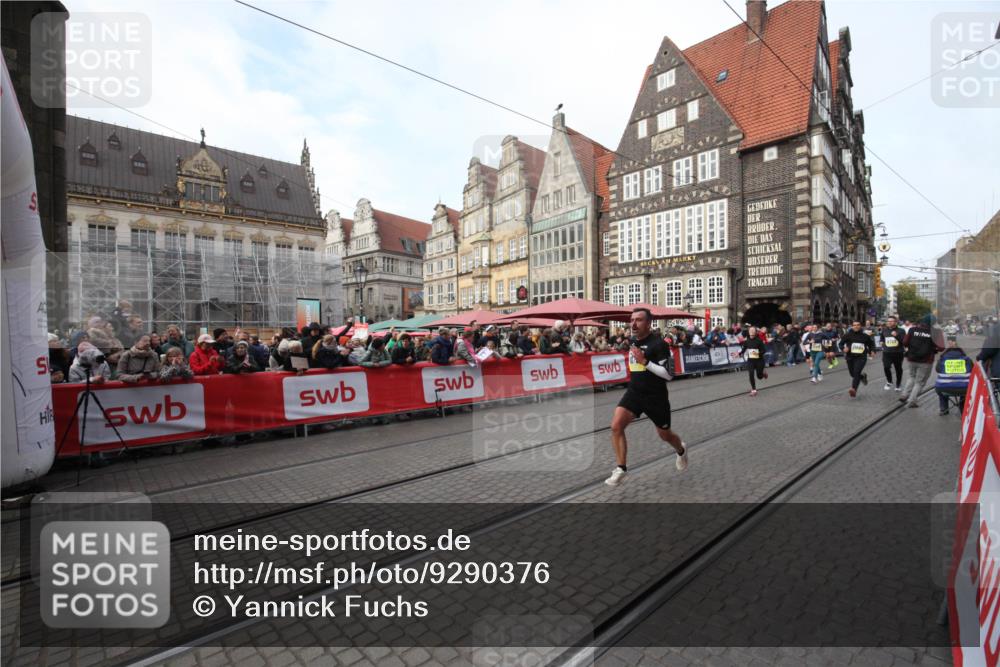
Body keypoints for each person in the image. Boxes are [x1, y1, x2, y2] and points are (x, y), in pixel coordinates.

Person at [605, 308, 687, 487]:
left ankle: (681, 450)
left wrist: (645, 362)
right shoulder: (632, 340)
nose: (633, 323)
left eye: (639, 320)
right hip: (634, 393)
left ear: (649, 323)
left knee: (665, 435)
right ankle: (621, 469)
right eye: (632, 320)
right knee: (616, 426)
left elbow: (669, 375)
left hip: (655, 396)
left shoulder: (659, 344)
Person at [899, 315, 945, 408]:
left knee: (911, 377)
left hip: (912, 358)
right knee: (920, 382)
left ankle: (904, 395)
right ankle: (912, 401)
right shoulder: (935, 332)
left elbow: (904, 342)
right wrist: (933, 347)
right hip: (926, 361)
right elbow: (941, 347)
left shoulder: (913, 329)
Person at [935, 337, 973, 415]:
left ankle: (944, 409)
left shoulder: (942, 359)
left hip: (943, 389)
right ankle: (963, 408)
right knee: (966, 387)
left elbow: (938, 370)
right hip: (964, 389)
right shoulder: (967, 359)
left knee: (941, 386)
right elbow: (972, 370)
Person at [839, 321, 876, 398]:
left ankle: (854, 389)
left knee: (856, 372)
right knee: (852, 374)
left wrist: (872, 351)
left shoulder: (865, 336)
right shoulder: (847, 335)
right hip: (850, 357)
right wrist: (843, 348)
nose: (856, 326)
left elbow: (871, 344)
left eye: (858, 325)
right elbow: (840, 344)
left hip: (861, 357)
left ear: (860, 326)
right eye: (854, 325)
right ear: (852, 326)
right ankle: (862, 377)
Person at [880, 316, 906, 392]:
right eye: (888, 321)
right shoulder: (884, 330)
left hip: (898, 353)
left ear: (895, 322)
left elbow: (904, 341)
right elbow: (882, 338)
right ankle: (889, 381)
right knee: (886, 367)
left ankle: (898, 384)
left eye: (891, 321)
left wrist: (896, 336)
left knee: (898, 369)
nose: (889, 322)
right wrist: (881, 342)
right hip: (887, 352)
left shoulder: (901, 330)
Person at [740, 326, 768, 396]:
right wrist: (739, 353)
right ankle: (754, 390)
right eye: (750, 330)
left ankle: (763, 373)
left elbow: (764, 351)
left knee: (759, 377)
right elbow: (744, 349)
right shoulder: (747, 341)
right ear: (749, 332)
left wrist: (757, 353)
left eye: (753, 330)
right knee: (751, 374)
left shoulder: (759, 340)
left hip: (759, 360)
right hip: (750, 361)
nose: (751, 331)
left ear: (755, 332)